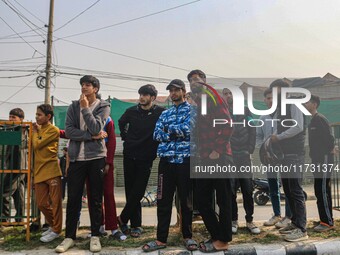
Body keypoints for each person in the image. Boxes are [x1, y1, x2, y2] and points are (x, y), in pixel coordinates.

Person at [55, 75, 110, 253]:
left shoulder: (103, 106)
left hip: (96, 158)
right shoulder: (73, 106)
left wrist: (86, 109)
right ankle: (69, 237)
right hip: (77, 159)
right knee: (73, 199)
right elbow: (69, 131)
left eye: (88, 85)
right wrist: (90, 136)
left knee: (95, 199)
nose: (84, 88)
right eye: (82, 85)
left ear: (95, 88)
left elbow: (96, 127)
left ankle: (95, 236)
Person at [142, 79, 197, 252]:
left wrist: (169, 131)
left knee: (186, 201)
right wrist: (175, 131)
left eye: (176, 90)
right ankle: (161, 239)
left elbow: (189, 130)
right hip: (166, 162)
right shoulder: (165, 113)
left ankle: (188, 236)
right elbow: (157, 134)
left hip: (185, 161)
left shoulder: (193, 111)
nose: (173, 93)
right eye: (171, 91)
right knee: (163, 200)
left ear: (183, 91)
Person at [189, 70, 233, 252]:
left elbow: (228, 124)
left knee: (223, 200)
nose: (194, 81)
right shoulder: (199, 100)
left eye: (197, 78)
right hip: (205, 157)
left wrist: (217, 150)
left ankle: (223, 240)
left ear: (204, 80)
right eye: (191, 80)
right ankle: (217, 235)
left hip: (218, 156)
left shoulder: (212, 95)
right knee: (201, 199)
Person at [118, 84, 165, 238]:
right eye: (140, 94)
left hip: (146, 156)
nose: (142, 97)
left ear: (153, 98)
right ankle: (135, 225)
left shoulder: (160, 112)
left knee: (138, 190)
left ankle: (123, 218)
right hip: (130, 154)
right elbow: (121, 122)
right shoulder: (131, 111)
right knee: (130, 191)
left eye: (145, 95)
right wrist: (126, 138)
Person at [269, 79, 308, 242]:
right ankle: (294, 222)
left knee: (296, 190)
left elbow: (298, 126)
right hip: (284, 154)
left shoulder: (294, 103)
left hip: (294, 153)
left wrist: (279, 137)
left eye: (276, 91)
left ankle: (302, 229)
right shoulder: (280, 107)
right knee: (288, 189)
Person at [222, 88, 260, 235]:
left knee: (247, 189)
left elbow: (253, 128)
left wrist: (249, 148)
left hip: (244, 156)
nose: (228, 96)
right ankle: (234, 220)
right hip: (229, 157)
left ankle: (250, 221)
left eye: (230, 93)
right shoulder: (221, 112)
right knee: (231, 190)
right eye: (225, 93)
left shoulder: (245, 110)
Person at [256, 89, 292, 228]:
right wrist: (263, 147)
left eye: (272, 98)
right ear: (264, 101)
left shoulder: (282, 116)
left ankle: (289, 216)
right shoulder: (262, 118)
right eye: (268, 98)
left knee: (288, 186)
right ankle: (277, 215)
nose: (270, 100)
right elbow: (258, 136)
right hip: (268, 157)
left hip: (282, 155)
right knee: (272, 186)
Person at [32, 104, 62, 243]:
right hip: (39, 171)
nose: (36, 117)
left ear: (48, 116)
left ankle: (56, 229)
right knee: (42, 203)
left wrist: (35, 132)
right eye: (36, 114)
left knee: (56, 203)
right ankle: (53, 225)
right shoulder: (39, 130)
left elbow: (37, 144)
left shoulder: (53, 130)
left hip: (51, 170)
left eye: (39, 115)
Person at [305, 95, 335, 232]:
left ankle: (327, 222)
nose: (305, 104)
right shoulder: (312, 121)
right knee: (319, 190)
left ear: (315, 104)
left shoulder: (320, 119)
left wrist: (329, 152)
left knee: (323, 190)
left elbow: (329, 139)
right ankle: (325, 219)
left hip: (323, 159)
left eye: (308, 102)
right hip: (316, 160)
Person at [1, 108, 26, 223]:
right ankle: (19, 219)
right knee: (18, 193)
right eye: (10, 117)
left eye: (13, 117)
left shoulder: (21, 130)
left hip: (17, 168)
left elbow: (19, 151)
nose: (10, 119)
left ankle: (4, 219)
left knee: (4, 192)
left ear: (21, 119)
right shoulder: (13, 130)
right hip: (15, 167)